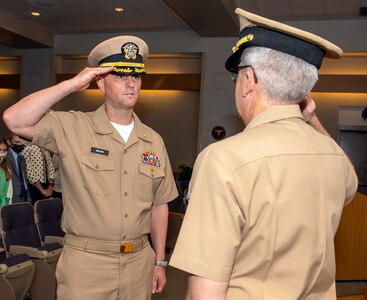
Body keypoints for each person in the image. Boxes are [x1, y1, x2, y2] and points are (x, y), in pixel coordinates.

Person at [169, 8, 358, 300]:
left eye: (237, 79)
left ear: (248, 82)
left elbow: (207, 289)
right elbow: (351, 181)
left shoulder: (224, 159)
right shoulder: (331, 156)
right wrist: (311, 119)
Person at [3, 35, 178, 300]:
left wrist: (160, 262)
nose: (131, 83)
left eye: (136, 76)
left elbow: (159, 204)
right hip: (87, 264)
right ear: (100, 83)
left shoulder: (153, 140)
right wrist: (71, 85)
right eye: (120, 76)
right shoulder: (72, 127)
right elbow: (14, 119)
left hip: (138, 262)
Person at [6, 132, 31, 203]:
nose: (19, 144)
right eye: (16, 142)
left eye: (21, 142)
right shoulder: (5, 157)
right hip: (12, 197)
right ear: (9, 142)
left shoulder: (22, 157)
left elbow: (24, 177)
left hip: (25, 195)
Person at [0, 137, 12, 206]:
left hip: (4, 208)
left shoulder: (7, 171)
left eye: (4, 150)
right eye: (0, 149)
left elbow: (9, 194)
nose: (2, 153)